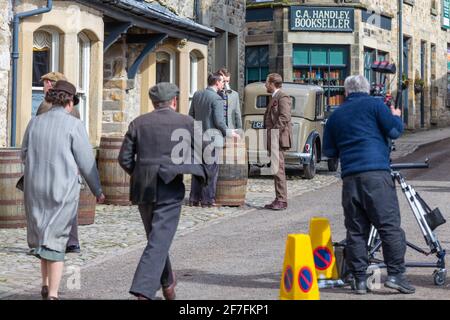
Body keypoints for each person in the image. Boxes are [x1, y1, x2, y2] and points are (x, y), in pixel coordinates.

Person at [323, 75, 415, 295]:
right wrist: (395, 116)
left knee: (355, 231)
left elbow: (329, 151)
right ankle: (396, 275)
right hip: (376, 175)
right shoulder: (376, 105)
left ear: (346, 92)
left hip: (350, 178)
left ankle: (360, 279)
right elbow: (394, 131)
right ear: (366, 89)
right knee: (389, 226)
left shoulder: (336, 115)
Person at [118, 82, 209, 300]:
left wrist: (140, 172)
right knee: (159, 240)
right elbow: (207, 151)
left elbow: (124, 159)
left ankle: (168, 284)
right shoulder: (187, 122)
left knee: (156, 238)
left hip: (143, 187)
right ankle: (143, 290)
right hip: (170, 186)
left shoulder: (138, 123)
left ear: (153, 102)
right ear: (174, 101)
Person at [21, 80, 105, 300]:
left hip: (35, 188)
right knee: (56, 240)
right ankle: (54, 294)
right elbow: (87, 162)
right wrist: (97, 190)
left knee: (43, 235)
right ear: (70, 102)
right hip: (62, 188)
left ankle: (45, 283)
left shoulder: (34, 122)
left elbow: (23, 155)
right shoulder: (74, 125)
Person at [36, 72, 81, 254]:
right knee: (67, 202)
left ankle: (50, 241)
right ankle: (72, 242)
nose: (45, 86)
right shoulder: (71, 107)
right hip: (67, 162)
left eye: (47, 83)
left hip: (51, 162)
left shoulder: (46, 106)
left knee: (46, 203)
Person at [188, 73, 239, 207]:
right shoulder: (217, 99)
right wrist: (230, 132)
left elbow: (191, 116)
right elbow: (219, 122)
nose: (223, 84)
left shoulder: (197, 95)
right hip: (212, 139)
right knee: (211, 171)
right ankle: (207, 200)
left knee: (198, 170)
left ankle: (194, 198)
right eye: (222, 82)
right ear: (216, 83)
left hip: (198, 138)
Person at [263, 73, 292, 211]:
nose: (265, 85)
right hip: (273, 137)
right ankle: (278, 198)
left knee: (279, 169)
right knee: (275, 169)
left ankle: (282, 200)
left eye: (267, 82)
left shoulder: (283, 97)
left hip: (278, 138)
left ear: (272, 83)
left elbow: (284, 117)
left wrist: (274, 132)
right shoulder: (274, 97)